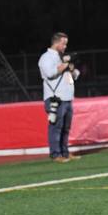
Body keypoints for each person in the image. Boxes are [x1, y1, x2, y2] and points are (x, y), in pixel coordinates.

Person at [38, 32, 79, 163]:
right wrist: (65, 65)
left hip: (67, 97)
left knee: (66, 127)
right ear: (56, 43)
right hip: (55, 98)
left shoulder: (63, 58)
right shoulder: (46, 58)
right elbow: (50, 73)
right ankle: (56, 154)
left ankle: (65, 152)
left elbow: (75, 76)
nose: (65, 46)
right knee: (56, 126)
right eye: (63, 43)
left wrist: (72, 69)